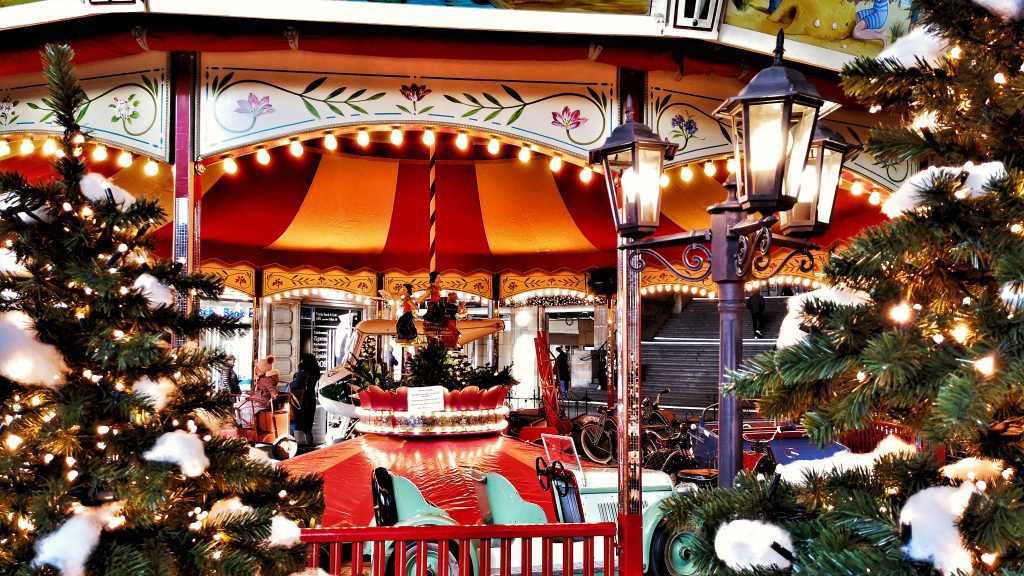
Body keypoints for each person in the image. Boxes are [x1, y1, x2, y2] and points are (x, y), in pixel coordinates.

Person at [234, 355, 279, 430]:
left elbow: (272, 390)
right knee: (236, 406)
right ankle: (240, 423)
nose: (255, 370)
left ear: (262, 370)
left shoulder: (266, 379)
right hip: (255, 400)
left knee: (245, 410)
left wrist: (274, 394)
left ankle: (249, 427)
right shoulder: (261, 379)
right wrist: (248, 392)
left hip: (261, 402)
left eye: (257, 369)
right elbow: (255, 391)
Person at [288, 353, 321, 446]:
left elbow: (295, 384)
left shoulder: (302, 372)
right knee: (308, 424)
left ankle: (291, 445)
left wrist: (289, 384)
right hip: (310, 399)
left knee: (293, 421)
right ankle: (309, 445)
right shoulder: (315, 373)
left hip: (300, 400)